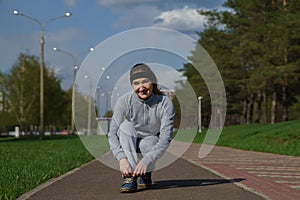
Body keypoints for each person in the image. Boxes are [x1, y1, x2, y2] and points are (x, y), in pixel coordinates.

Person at [107, 63, 175, 193]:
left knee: (148, 143)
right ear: (132, 85)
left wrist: (146, 161)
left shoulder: (165, 102)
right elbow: (112, 134)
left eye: (145, 82)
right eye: (136, 83)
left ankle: (145, 172)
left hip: (150, 141)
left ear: (153, 82)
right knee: (125, 126)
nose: (141, 87)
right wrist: (121, 158)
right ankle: (130, 177)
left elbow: (165, 138)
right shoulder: (124, 101)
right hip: (129, 141)